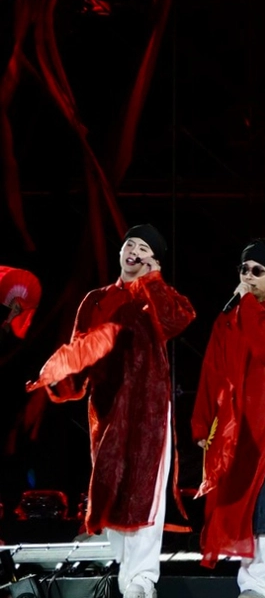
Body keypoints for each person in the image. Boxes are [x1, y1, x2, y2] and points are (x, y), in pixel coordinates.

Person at [42, 224, 195, 598]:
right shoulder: (94, 300)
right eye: (130, 244)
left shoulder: (156, 297)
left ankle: (141, 579)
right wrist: (60, 375)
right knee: (113, 486)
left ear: (153, 261)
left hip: (150, 409)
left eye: (144, 248)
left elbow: (177, 319)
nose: (134, 251)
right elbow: (79, 349)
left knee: (146, 490)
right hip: (108, 408)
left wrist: (153, 280)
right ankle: (124, 572)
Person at [191, 239, 265, 598]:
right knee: (242, 502)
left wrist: (246, 305)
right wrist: (201, 424)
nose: (248, 277)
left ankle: (258, 582)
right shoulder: (227, 320)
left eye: (258, 271)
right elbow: (211, 370)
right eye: (244, 270)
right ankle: (257, 573)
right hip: (236, 427)